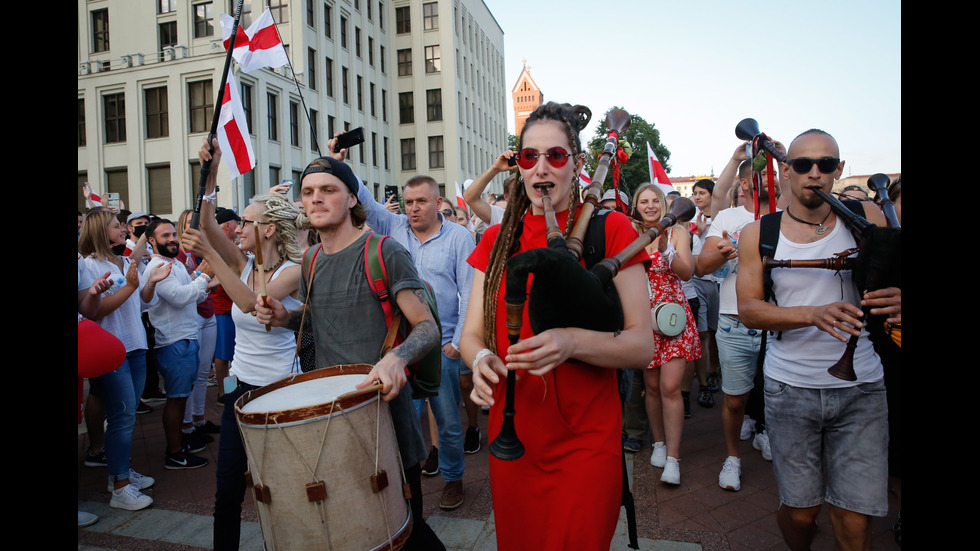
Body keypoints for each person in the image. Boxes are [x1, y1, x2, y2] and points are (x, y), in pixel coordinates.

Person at [461, 102, 654, 550]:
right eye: (529, 157)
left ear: (579, 164)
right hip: (514, 433)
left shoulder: (614, 229)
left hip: (586, 436)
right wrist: (482, 359)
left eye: (556, 156)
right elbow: (471, 335)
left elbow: (642, 345)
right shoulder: (495, 238)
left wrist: (570, 342)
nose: (541, 168)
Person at [255, 148, 446, 551]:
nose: (316, 199)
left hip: (386, 413)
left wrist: (396, 358)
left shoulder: (383, 251)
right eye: (308, 192)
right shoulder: (308, 260)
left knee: (406, 533)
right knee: (357, 532)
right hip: (332, 417)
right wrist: (282, 316)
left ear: (353, 198)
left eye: (328, 189)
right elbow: (314, 321)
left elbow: (426, 327)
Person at [736, 129, 899, 551]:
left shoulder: (869, 217)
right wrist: (813, 314)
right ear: (785, 170)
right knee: (800, 511)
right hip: (790, 387)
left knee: (853, 515)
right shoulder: (760, 232)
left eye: (826, 165)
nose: (815, 173)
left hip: (862, 386)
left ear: (838, 170)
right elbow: (750, 310)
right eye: (803, 165)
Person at [183, 139, 305, 551]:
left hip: (281, 394)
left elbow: (253, 303)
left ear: (268, 228)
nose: (238, 229)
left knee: (282, 489)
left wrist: (211, 257)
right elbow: (209, 223)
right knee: (227, 491)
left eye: (247, 222)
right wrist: (212, 173)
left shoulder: (294, 269)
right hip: (240, 392)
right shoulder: (244, 262)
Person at [353, 163, 475, 510]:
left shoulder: (459, 237)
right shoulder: (394, 228)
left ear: (439, 203)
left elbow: (468, 291)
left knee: (448, 422)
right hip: (401, 347)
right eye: (408, 202)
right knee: (398, 420)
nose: (413, 208)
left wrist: (455, 344)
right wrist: (340, 163)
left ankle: (453, 478)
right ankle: (401, 482)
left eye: (421, 201)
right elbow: (366, 201)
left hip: (441, 346)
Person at [697, 153, 780, 492]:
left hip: (778, 322)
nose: (772, 180)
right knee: (734, 399)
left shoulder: (785, 215)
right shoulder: (727, 217)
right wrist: (725, 252)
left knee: (778, 395)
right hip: (734, 321)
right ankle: (732, 458)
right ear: (745, 183)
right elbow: (702, 267)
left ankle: (767, 434)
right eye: (763, 175)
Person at [78, 210, 170, 510]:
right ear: (100, 231)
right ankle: (119, 485)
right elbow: (94, 311)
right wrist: (130, 286)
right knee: (122, 415)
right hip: (111, 349)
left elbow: (144, 300)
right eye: (117, 226)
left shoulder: (123, 260)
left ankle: (120, 470)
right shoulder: (89, 265)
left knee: (124, 414)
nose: (123, 230)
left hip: (135, 345)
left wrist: (151, 280)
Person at [632, 183, 700, 484]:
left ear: (663, 204)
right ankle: (658, 443)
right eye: (643, 202)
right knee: (652, 387)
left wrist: (668, 253)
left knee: (671, 387)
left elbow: (688, 273)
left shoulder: (678, 233)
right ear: (636, 207)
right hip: (643, 320)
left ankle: (673, 458)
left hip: (673, 319)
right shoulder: (631, 236)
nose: (649, 206)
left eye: (654, 201)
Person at [142, 217, 212, 470]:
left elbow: (195, 294)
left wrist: (200, 280)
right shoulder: (157, 267)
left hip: (187, 339)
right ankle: (174, 452)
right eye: (165, 236)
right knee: (177, 398)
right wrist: (203, 276)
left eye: (173, 234)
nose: (172, 239)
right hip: (174, 342)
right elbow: (181, 297)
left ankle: (180, 444)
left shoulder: (175, 263)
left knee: (181, 397)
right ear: (152, 241)